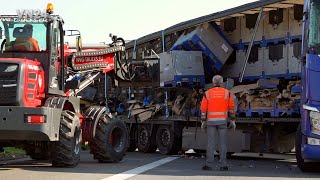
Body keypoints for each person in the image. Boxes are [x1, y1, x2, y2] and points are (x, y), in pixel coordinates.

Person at [200, 75, 236, 171]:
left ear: (213, 83)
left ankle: (209, 165)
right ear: (221, 83)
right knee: (223, 144)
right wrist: (232, 119)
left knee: (211, 143)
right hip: (222, 122)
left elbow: (203, 108)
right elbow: (231, 107)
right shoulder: (227, 93)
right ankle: (223, 165)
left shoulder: (207, 93)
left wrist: (203, 121)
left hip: (211, 122)